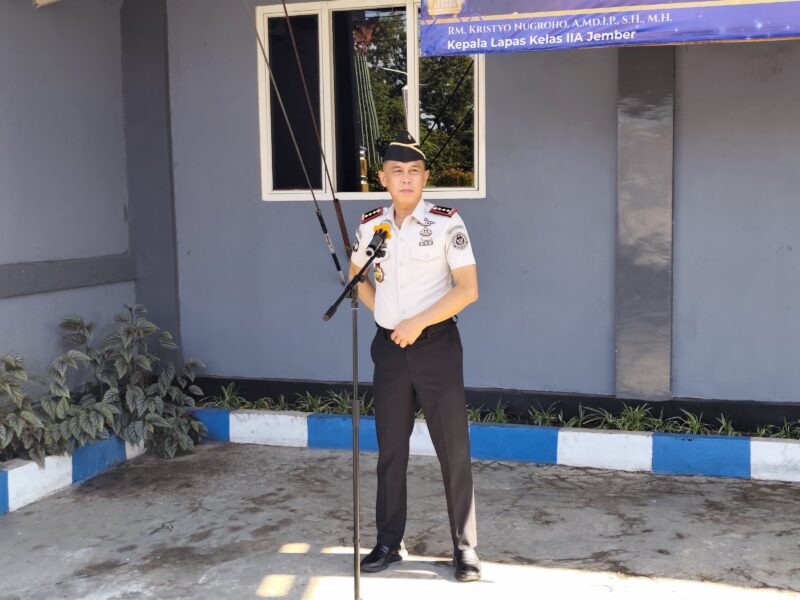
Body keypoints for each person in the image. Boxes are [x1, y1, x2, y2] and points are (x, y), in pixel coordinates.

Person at [349, 131, 481, 582]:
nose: (405, 179)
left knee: (453, 449)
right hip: (390, 350)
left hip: (436, 347)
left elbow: (468, 289)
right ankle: (389, 541)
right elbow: (357, 278)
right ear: (383, 178)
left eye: (413, 172)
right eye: (396, 172)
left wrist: (417, 323)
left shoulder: (446, 223)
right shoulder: (372, 225)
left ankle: (465, 547)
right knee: (391, 450)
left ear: (425, 178)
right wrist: (387, 318)